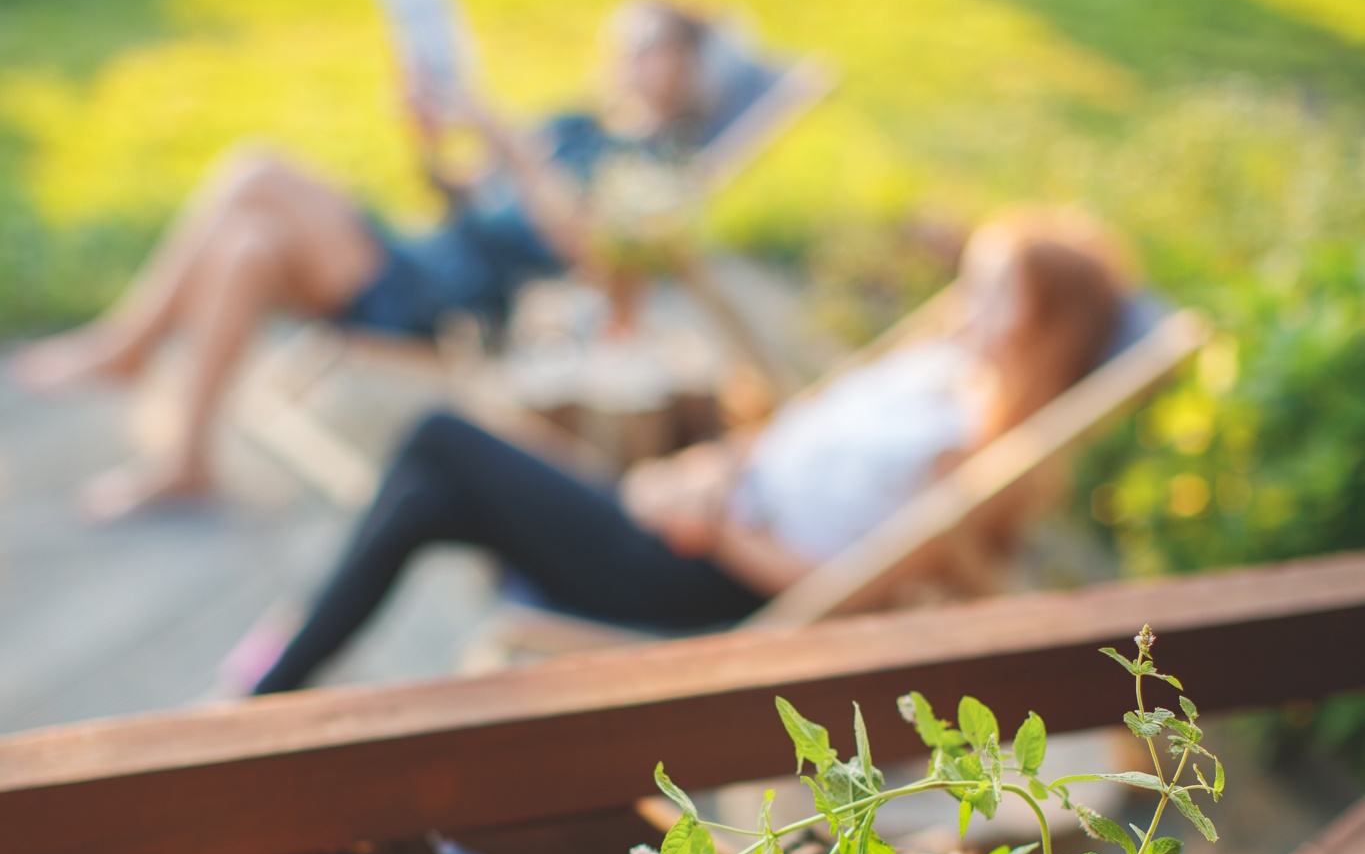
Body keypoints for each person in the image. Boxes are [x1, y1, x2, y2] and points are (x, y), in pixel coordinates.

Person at [246, 209, 1131, 694]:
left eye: (996, 294)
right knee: (432, 493)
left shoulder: (964, 453)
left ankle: (278, 685)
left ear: (1045, 330)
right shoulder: (935, 370)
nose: (966, 302)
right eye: (972, 281)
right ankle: (281, 688)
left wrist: (711, 529)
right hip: (694, 518)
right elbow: (788, 441)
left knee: (444, 445)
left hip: (700, 580)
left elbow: (855, 587)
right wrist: (706, 473)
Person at [7, 0, 757, 521]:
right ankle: (187, 459)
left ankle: (125, 350)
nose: (623, 56)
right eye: (620, 40)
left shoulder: (654, 166)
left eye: (646, 42)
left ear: (688, 65)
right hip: (419, 256)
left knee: (256, 170)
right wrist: (430, 140)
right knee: (245, 245)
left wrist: (506, 141)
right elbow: (458, 195)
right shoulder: (572, 123)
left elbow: (596, 258)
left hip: (448, 302)